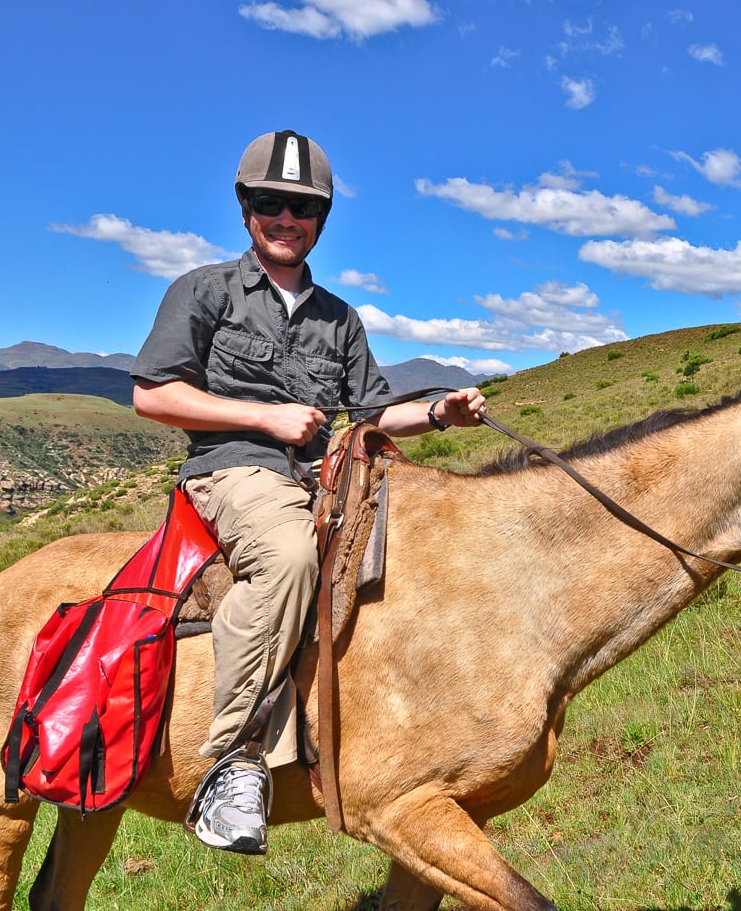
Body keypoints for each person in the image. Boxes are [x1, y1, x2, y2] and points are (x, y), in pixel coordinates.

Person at [131, 129, 486, 855]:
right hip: (235, 468)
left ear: (321, 217)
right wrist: (263, 416)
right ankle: (232, 761)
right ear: (245, 209)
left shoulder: (339, 318)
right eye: (270, 203)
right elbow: (153, 395)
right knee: (291, 559)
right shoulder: (203, 291)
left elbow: (374, 411)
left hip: (328, 476)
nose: (285, 219)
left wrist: (440, 413)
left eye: (301, 206)